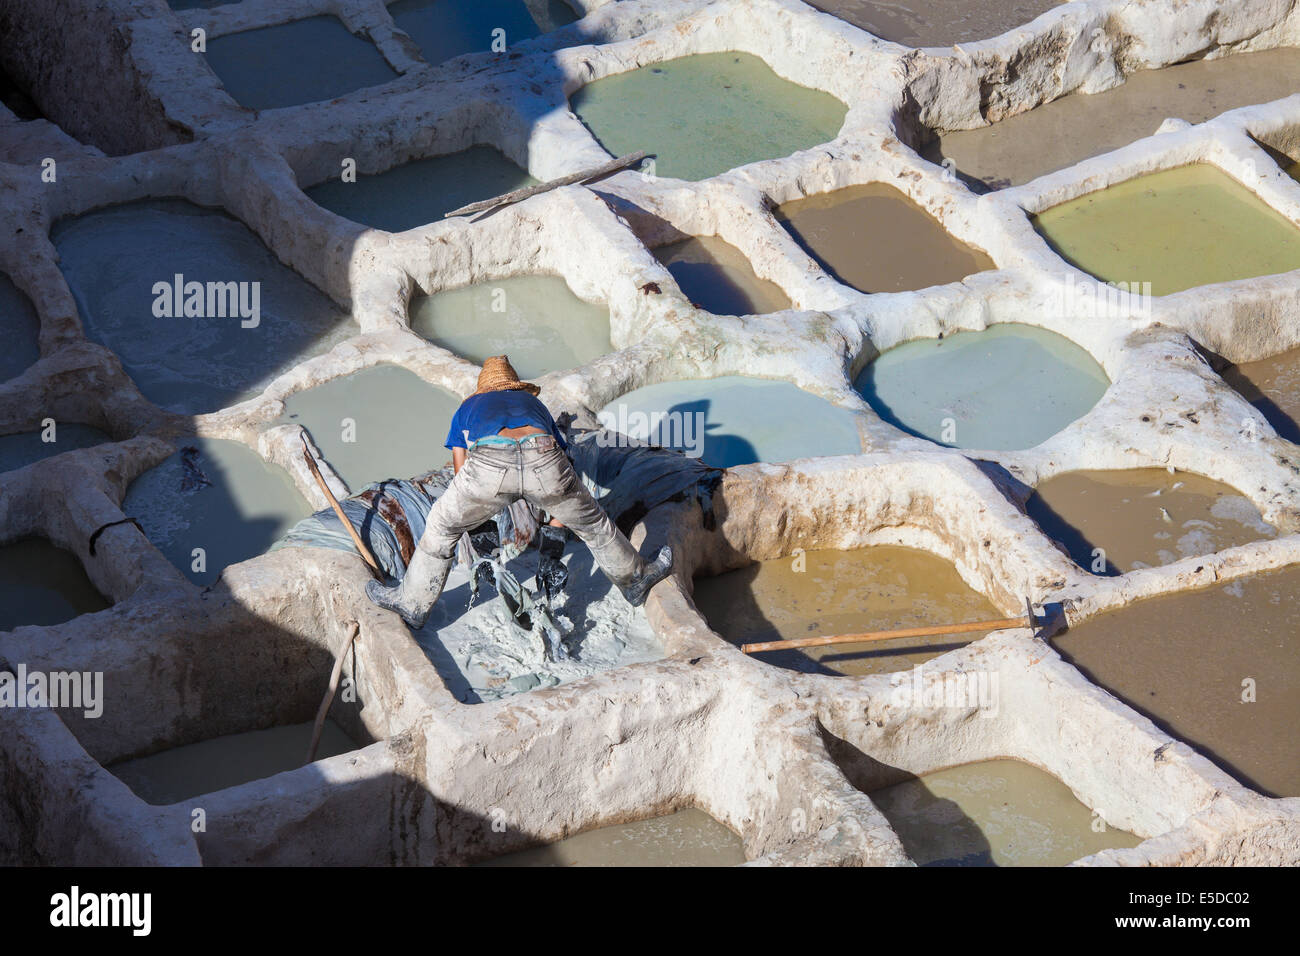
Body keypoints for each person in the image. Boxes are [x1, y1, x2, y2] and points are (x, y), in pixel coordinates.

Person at [366, 355, 674, 629]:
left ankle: (412, 604)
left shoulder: (468, 407)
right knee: (595, 525)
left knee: (441, 526)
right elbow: (563, 466)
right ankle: (636, 580)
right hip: (544, 457)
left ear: (483, 389)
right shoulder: (534, 405)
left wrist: (476, 520)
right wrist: (554, 536)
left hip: (490, 465)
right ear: (515, 387)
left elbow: (461, 470)